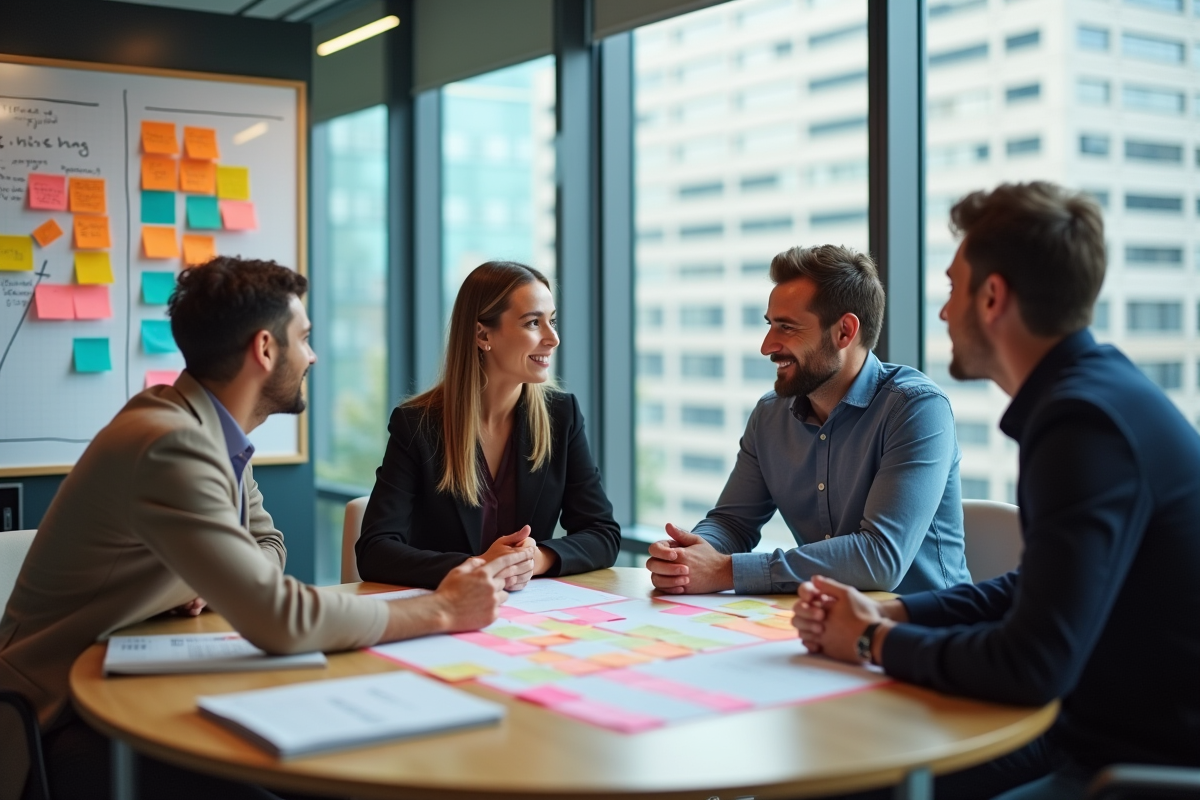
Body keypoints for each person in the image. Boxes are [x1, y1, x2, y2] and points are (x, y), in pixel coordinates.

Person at [0, 257, 526, 800]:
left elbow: (267, 547)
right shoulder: (170, 443)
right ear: (265, 349)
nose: (313, 355)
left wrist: (216, 576)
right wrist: (442, 608)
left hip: (127, 680)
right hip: (59, 720)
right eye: (304, 338)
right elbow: (281, 617)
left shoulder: (213, 430)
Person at [792, 183, 1200, 799]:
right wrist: (899, 611)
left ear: (992, 296)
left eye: (953, 287)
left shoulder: (1082, 427)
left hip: (1127, 768)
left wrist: (874, 640)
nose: (943, 311)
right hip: (1103, 732)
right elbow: (1039, 586)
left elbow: (1033, 664)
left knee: (852, 785)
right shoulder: (1097, 395)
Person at [645, 245, 970, 596]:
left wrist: (726, 570)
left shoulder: (917, 408)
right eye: (770, 325)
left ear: (844, 332)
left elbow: (880, 558)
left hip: (927, 633)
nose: (767, 346)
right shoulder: (769, 415)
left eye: (787, 327)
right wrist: (689, 556)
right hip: (823, 626)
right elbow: (732, 523)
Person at [356, 261, 620, 590]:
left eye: (551, 321)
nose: (553, 338)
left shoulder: (561, 416)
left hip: (527, 616)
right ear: (483, 334)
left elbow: (603, 533)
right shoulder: (417, 425)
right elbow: (375, 552)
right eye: (533, 323)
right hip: (442, 614)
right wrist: (480, 566)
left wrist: (536, 560)